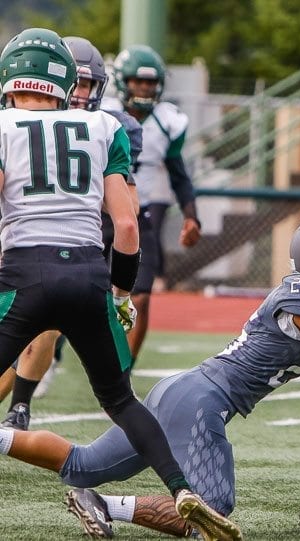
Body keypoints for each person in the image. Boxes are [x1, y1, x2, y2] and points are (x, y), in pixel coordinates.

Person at [0, 212, 300, 539]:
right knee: (213, 510)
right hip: (202, 401)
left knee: (83, 464)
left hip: (185, 392)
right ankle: (106, 506)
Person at [0, 27, 240, 541]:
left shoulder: (2, 126)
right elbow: (128, 227)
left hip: (22, 274)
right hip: (89, 275)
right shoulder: (104, 127)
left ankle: (18, 409)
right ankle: (180, 488)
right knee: (123, 401)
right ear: (65, 82)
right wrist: (121, 294)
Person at [0, 35, 145, 430]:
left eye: (86, 84)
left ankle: (20, 408)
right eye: (75, 82)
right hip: (25, 234)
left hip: (76, 239)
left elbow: (125, 209)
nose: (79, 92)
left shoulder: (112, 126)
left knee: (43, 325)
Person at [106, 44, 202, 362]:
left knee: (142, 297)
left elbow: (178, 173)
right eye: (138, 81)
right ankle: (54, 355)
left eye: (149, 82)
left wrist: (192, 216)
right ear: (122, 81)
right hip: (98, 214)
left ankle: (124, 373)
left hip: (138, 214)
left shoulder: (167, 121)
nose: (145, 88)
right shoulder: (101, 113)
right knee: (78, 293)